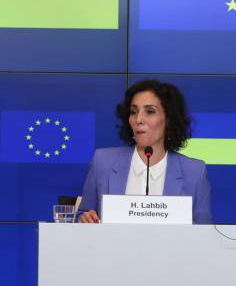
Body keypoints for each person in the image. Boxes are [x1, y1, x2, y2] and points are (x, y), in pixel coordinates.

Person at [78, 80, 212, 224]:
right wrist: (85, 219)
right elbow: (81, 215)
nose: (138, 119)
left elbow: (204, 231)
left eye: (150, 111)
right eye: (133, 112)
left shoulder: (194, 172)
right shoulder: (102, 162)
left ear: (168, 119)